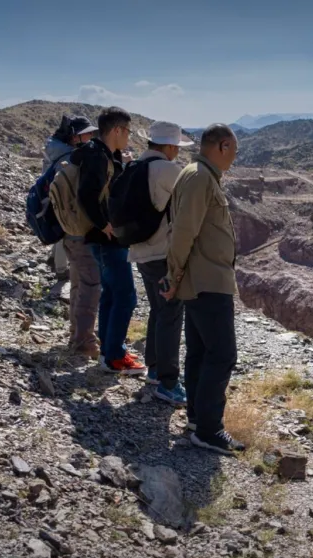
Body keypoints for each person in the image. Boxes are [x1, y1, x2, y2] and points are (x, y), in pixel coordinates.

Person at [161, 124, 245, 455]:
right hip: (207, 282)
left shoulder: (197, 173)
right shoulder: (200, 178)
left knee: (200, 352)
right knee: (223, 354)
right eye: (234, 151)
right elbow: (183, 232)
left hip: (202, 281)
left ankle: (197, 420)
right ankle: (210, 430)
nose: (234, 158)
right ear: (222, 146)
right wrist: (172, 275)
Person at [73, 106, 146, 375]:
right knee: (126, 295)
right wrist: (104, 225)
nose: (128, 136)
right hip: (105, 238)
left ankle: (108, 353)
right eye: (127, 131)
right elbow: (87, 195)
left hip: (102, 238)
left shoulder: (104, 154)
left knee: (112, 294)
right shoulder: (96, 156)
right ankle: (115, 355)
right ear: (116, 130)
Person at [128, 121, 192, 405]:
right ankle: (168, 382)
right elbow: (187, 208)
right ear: (168, 146)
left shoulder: (134, 168)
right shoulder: (167, 170)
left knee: (158, 309)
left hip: (139, 252)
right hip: (162, 254)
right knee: (170, 314)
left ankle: (154, 369)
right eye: (176, 147)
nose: (177, 152)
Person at [43, 116, 97, 281]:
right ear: (75, 137)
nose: (91, 137)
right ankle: (61, 271)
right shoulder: (68, 156)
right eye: (87, 134)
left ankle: (54, 261)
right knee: (64, 231)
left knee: (59, 229)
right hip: (63, 199)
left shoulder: (56, 150)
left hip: (53, 197)